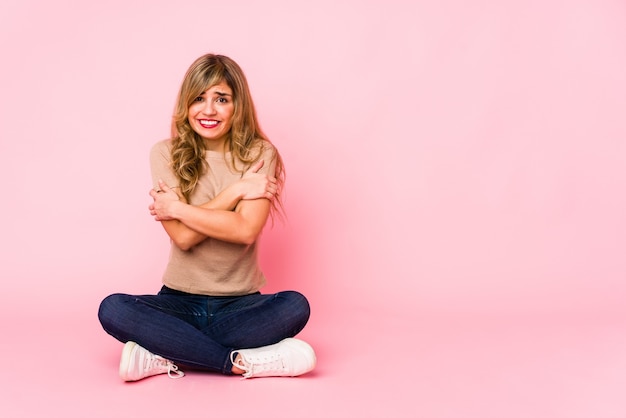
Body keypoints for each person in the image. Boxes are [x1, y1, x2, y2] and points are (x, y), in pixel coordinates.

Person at [98, 53, 315, 382]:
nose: (208, 110)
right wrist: (236, 191)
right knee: (112, 308)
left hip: (241, 305)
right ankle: (239, 362)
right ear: (186, 104)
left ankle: (164, 351)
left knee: (295, 305)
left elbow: (244, 230)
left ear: (237, 105)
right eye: (199, 98)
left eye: (221, 99)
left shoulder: (260, 155)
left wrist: (178, 209)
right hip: (178, 302)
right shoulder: (165, 153)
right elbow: (183, 238)